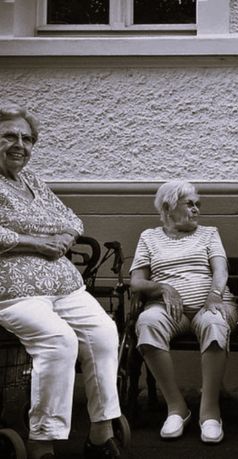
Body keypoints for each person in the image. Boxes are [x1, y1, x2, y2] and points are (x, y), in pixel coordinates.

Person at [0, 104, 123, 459]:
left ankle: (101, 433)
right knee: (59, 340)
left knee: (103, 332)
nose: (19, 144)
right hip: (14, 291)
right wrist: (36, 242)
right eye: (9, 135)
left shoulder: (32, 181)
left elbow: (71, 218)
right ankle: (43, 441)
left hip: (63, 287)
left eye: (26, 138)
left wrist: (66, 237)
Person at [129, 180, 238, 443]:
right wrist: (162, 287)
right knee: (147, 322)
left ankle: (209, 411)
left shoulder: (209, 233)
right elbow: (136, 282)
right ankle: (176, 407)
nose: (196, 209)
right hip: (168, 310)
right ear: (168, 206)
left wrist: (214, 296)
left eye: (198, 204)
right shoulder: (149, 237)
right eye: (189, 204)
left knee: (216, 322)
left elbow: (221, 271)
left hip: (210, 304)